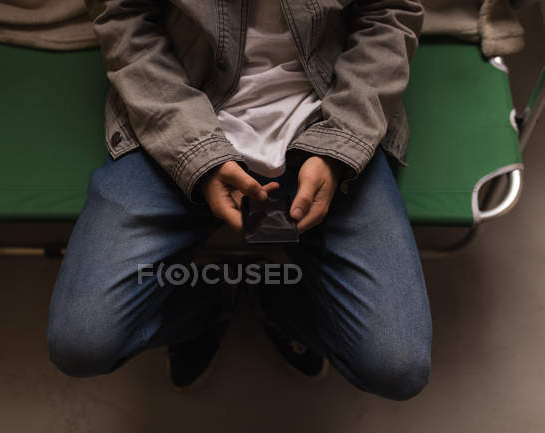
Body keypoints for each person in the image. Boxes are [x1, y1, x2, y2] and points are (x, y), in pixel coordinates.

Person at [47, 0, 433, 400]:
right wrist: (195, 152)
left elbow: (389, 13)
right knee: (82, 344)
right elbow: (123, 18)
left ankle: (275, 302)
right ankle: (209, 308)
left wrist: (339, 144)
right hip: (180, 113)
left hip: (325, 118)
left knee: (396, 367)